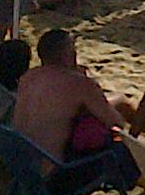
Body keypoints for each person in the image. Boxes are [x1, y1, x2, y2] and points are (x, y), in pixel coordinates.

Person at [13, 27, 135, 181]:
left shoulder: (28, 78)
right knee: (119, 148)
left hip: (22, 169)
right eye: (73, 49)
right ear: (67, 54)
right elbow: (117, 123)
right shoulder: (79, 83)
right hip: (55, 175)